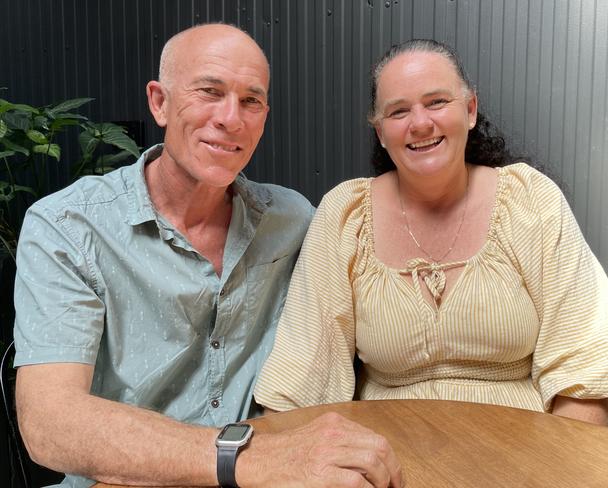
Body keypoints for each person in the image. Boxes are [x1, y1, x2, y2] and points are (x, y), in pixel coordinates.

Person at [13, 24, 403, 488]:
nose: (231, 118)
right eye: (209, 92)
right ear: (159, 102)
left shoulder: (292, 218)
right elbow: (51, 425)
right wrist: (245, 459)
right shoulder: (67, 226)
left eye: (251, 101)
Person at [254, 39, 608, 426]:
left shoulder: (531, 200)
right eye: (399, 111)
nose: (420, 123)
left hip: (527, 456)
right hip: (386, 456)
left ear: (470, 110)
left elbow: (584, 374)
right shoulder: (344, 214)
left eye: (436, 102)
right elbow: (302, 376)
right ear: (381, 132)